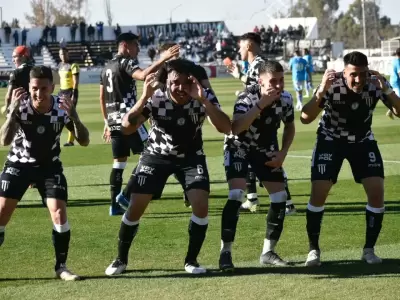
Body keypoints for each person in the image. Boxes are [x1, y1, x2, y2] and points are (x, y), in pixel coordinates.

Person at [105, 59, 231, 276]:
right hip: (156, 156)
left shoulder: (202, 95)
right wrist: (144, 96)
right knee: (136, 206)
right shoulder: (156, 96)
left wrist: (203, 100)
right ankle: (120, 259)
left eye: (185, 82)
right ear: (167, 82)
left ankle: (191, 261)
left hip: (191, 157)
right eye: (175, 82)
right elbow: (127, 128)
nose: (180, 88)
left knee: (201, 205)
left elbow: (226, 127)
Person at [300, 51, 400, 267]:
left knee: (377, 192)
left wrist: (388, 89)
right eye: (353, 74)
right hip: (330, 139)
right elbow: (305, 118)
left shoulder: (374, 84)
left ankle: (369, 250)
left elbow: (399, 111)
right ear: (344, 72)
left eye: (362, 74)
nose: (358, 79)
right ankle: (314, 250)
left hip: (363, 141)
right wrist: (320, 92)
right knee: (319, 192)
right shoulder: (332, 84)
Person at [0, 66, 90, 280]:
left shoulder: (61, 107)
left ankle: (62, 267)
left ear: (53, 86)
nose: (39, 93)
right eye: (34, 89)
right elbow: (4, 140)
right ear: (28, 87)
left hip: (49, 167)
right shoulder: (20, 106)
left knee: (59, 212)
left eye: (43, 88)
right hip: (19, 164)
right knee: (2, 211)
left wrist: (75, 117)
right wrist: (11, 112)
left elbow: (84, 141)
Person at [116, 43, 214, 209]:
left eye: (172, 56)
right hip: (162, 128)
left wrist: (207, 107)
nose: (170, 60)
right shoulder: (160, 72)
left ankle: (189, 192)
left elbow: (209, 95)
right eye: (167, 57)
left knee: (184, 154)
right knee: (154, 156)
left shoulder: (194, 70)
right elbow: (150, 98)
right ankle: (128, 194)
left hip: (188, 126)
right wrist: (151, 115)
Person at [220, 60, 296, 272]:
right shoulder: (247, 97)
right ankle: (225, 252)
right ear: (261, 81)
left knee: (280, 197)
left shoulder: (286, 98)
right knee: (236, 194)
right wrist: (261, 104)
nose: (279, 85)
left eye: (282, 80)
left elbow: (290, 126)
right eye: (274, 81)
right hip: (239, 146)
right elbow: (235, 128)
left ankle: (268, 252)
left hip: (265, 149)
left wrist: (282, 153)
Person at [100, 32, 180, 216]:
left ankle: (114, 205)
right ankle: (127, 196)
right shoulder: (126, 62)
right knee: (153, 153)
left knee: (119, 164)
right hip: (130, 118)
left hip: (113, 120)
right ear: (126, 46)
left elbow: (102, 97)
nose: (138, 49)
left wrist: (106, 121)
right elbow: (143, 75)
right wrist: (164, 58)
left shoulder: (106, 67)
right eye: (136, 45)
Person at [227, 33, 295, 215]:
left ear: (248, 45)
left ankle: (286, 203)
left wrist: (239, 76)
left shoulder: (259, 64)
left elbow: (257, 87)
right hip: (256, 117)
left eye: (240, 46)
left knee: (272, 162)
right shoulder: (255, 64)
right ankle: (253, 199)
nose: (239, 50)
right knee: (253, 161)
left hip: (265, 119)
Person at [58, 48, 80, 147]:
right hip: (61, 92)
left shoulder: (73, 65)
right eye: (60, 54)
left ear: (68, 54)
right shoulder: (60, 65)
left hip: (70, 91)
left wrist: (74, 94)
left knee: (69, 115)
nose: (62, 56)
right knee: (59, 115)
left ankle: (71, 140)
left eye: (64, 54)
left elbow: (75, 81)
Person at [387, 48, 400, 119]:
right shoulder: (398, 61)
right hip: (396, 82)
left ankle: (390, 112)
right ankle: (390, 111)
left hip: (393, 81)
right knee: (398, 98)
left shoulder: (394, 61)